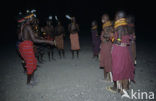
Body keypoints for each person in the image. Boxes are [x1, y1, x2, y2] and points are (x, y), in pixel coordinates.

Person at [18, 12, 55, 85]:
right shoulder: (27, 26)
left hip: (25, 46)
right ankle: (28, 82)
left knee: (33, 63)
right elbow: (34, 40)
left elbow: (22, 37)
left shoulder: (24, 26)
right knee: (30, 65)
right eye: (33, 17)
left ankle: (32, 79)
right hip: (27, 47)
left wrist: (39, 38)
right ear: (29, 18)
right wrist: (48, 41)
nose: (34, 19)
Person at [107, 11, 135, 95]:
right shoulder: (127, 26)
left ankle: (119, 89)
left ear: (119, 17)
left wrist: (111, 38)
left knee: (118, 69)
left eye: (115, 16)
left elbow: (118, 41)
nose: (115, 18)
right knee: (125, 68)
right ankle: (125, 88)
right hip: (126, 49)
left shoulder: (119, 27)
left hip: (119, 50)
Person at [99, 14, 113, 81]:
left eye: (103, 18)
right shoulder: (107, 25)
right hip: (107, 45)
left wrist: (104, 39)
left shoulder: (107, 26)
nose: (102, 19)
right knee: (107, 60)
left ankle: (109, 77)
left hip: (107, 45)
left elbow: (107, 37)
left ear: (105, 19)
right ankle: (107, 76)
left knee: (107, 60)